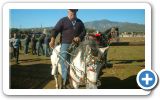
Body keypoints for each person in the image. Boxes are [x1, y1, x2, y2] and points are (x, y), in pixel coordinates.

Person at [49, 9, 86, 88]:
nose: (73, 13)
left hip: (78, 45)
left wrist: (79, 37)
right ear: (68, 11)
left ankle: (86, 77)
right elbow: (55, 30)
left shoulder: (80, 22)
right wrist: (52, 40)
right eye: (72, 11)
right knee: (64, 59)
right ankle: (66, 81)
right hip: (66, 43)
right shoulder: (63, 20)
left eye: (75, 11)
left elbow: (84, 31)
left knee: (85, 58)